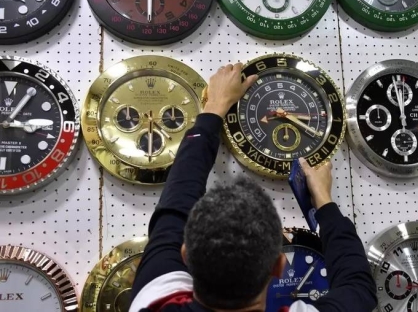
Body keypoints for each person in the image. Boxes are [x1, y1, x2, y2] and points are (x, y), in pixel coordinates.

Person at [129, 63, 377, 312]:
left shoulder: (154, 303)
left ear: (185, 254)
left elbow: (177, 199)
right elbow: (357, 286)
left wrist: (215, 106)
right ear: (278, 266)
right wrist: (323, 199)